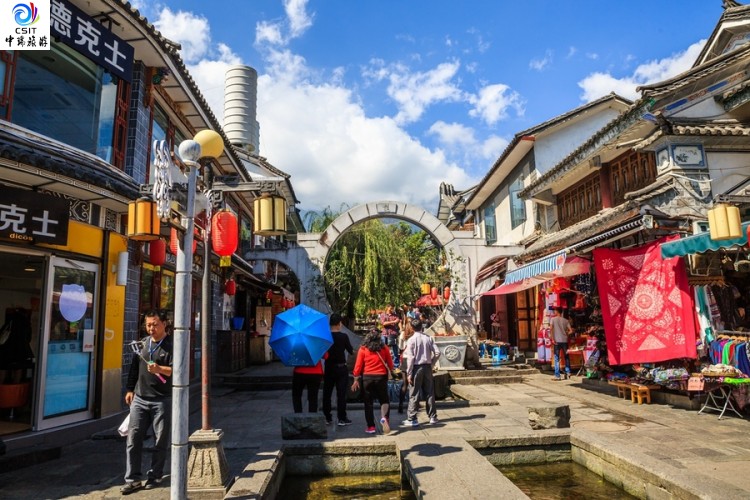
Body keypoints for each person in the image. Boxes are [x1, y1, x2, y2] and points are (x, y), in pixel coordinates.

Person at [121, 309, 173, 495]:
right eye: (148, 325)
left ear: (164, 324)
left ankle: (155, 475)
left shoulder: (171, 345)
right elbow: (134, 369)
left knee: (160, 441)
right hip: (140, 398)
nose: (151, 328)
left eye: (155, 325)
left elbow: (177, 370)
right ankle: (133, 479)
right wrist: (130, 389)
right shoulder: (142, 344)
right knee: (133, 440)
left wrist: (160, 369)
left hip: (162, 399)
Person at [350, 328, 394, 434]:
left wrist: (355, 378)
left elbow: (358, 366)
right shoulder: (384, 348)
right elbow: (390, 364)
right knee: (384, 400)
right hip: (381, 377)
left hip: (367, 378)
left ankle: (371, 427)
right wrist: (390, 370)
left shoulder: (363, 349)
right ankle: (384, 418)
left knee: (368, 403)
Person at [402, 319, 440, 427]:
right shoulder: (428, 338)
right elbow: (437, 352)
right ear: (421, 327)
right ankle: (432, 417)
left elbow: (410, 358)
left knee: (414, 393)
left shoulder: (411, 340)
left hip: (416, 367)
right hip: (427, 367)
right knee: (429, 392)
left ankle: (412, 418)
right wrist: (432, 363)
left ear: (412, 328)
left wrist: (409, 373)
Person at [322, 313, 354, 426]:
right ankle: (342, 418)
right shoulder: (343, 336)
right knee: (341, 394)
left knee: (327, 393)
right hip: (341, 368)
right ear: (339, 324)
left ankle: (327, 417)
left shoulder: (325, 337)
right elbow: (351, 351)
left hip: (329, 368)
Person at [550, 307, 574, 381]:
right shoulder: (566, 320)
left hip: (556, 341)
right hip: (564, 340)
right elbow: (571, 331)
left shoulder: (553, 319)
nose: (554, 312)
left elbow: (551, 329)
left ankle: (557, 375)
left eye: (555, 311)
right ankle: (568, 372)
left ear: (557, 311)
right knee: (566, 356)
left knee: (557, 358)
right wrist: (566, 334)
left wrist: (552, 339)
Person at [397, 322, 415, 413]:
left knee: (404, 384)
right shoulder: (415, 335)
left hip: (405, 359)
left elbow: (400, 347)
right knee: (413, 383)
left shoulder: (403, 334)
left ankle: (400, 404)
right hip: (414, 359)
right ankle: (413, 406)